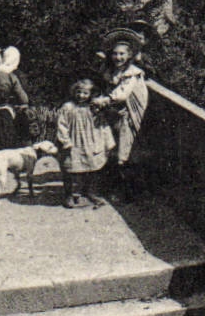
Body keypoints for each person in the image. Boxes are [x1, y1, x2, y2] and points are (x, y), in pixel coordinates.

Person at [94, 27, 149, 198]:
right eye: (115, 54)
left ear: (129, 55)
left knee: (125, 151)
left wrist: (104, 100)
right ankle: (111, 186)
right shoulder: (113, 71)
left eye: (122, 54)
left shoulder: (132, 74)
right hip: (116, 115)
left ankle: (128, 192)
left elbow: (121, 94)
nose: (118, 57)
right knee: (112, 147)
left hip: (129, 116)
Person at [54, 78, 114, 209]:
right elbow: (62, 125)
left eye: (85, 93)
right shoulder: (68, 107)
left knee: (91, 167)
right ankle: (70, 195)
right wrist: (65, 141)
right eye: (79, 92)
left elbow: (102, 124)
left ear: (91, 94)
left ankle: (89, 193)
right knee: (72, 168)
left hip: (91, 142)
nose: (81, 95)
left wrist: (108, 141)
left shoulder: (93, 108)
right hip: (73, 142)